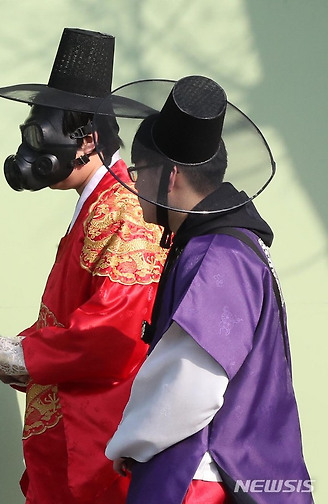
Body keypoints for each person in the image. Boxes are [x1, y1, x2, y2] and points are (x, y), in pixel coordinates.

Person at [0, 28, 167, 504]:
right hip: (75, 433)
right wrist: (16, 350)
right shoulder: (96, 205)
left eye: (42, 136)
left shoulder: (124, 213)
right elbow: (70, 317)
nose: (31, 152)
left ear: (87, 141)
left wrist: (24, 355)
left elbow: (113, 334)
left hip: (103, 441)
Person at [101, 75, 313, 503]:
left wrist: (132, 441)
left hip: (207, 476)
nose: (135, 185)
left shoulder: (218, 254)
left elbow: (193, 385)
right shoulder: (229, 245)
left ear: (171, 175)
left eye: (139, 171)